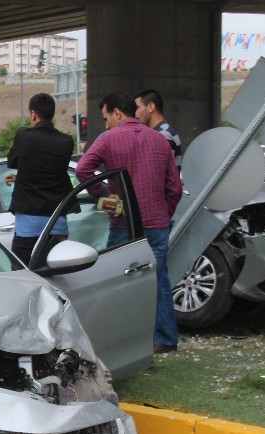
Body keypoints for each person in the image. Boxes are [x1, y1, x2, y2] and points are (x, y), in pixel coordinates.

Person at [76, 92, 182, 354]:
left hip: (124, 222)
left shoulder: (108, 139)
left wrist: (104, 194)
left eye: (105, 118)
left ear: (117, 113)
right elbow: (175, 188)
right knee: (159, 279)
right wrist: (163, 213)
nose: (105, 124)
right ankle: (165, 339)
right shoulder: (159, 139)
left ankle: (118, 339)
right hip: (157, 222)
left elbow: (82, 170)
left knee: (115, 281)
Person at [3, 92, 74, 266]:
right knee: (58, 277)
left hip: (28, 225)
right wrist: (22, 177)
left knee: (24, 276)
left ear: (33, 113)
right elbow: (52, 171)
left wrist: (22, 175)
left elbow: (12, 161)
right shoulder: (66, 141)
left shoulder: (24, 136)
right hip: (57, 223)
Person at [135, 89, 182, 168]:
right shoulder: (163, 132)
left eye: (137, 108)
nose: (135, 113)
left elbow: (158, 172)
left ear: (151, 107)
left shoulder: (163, 135)